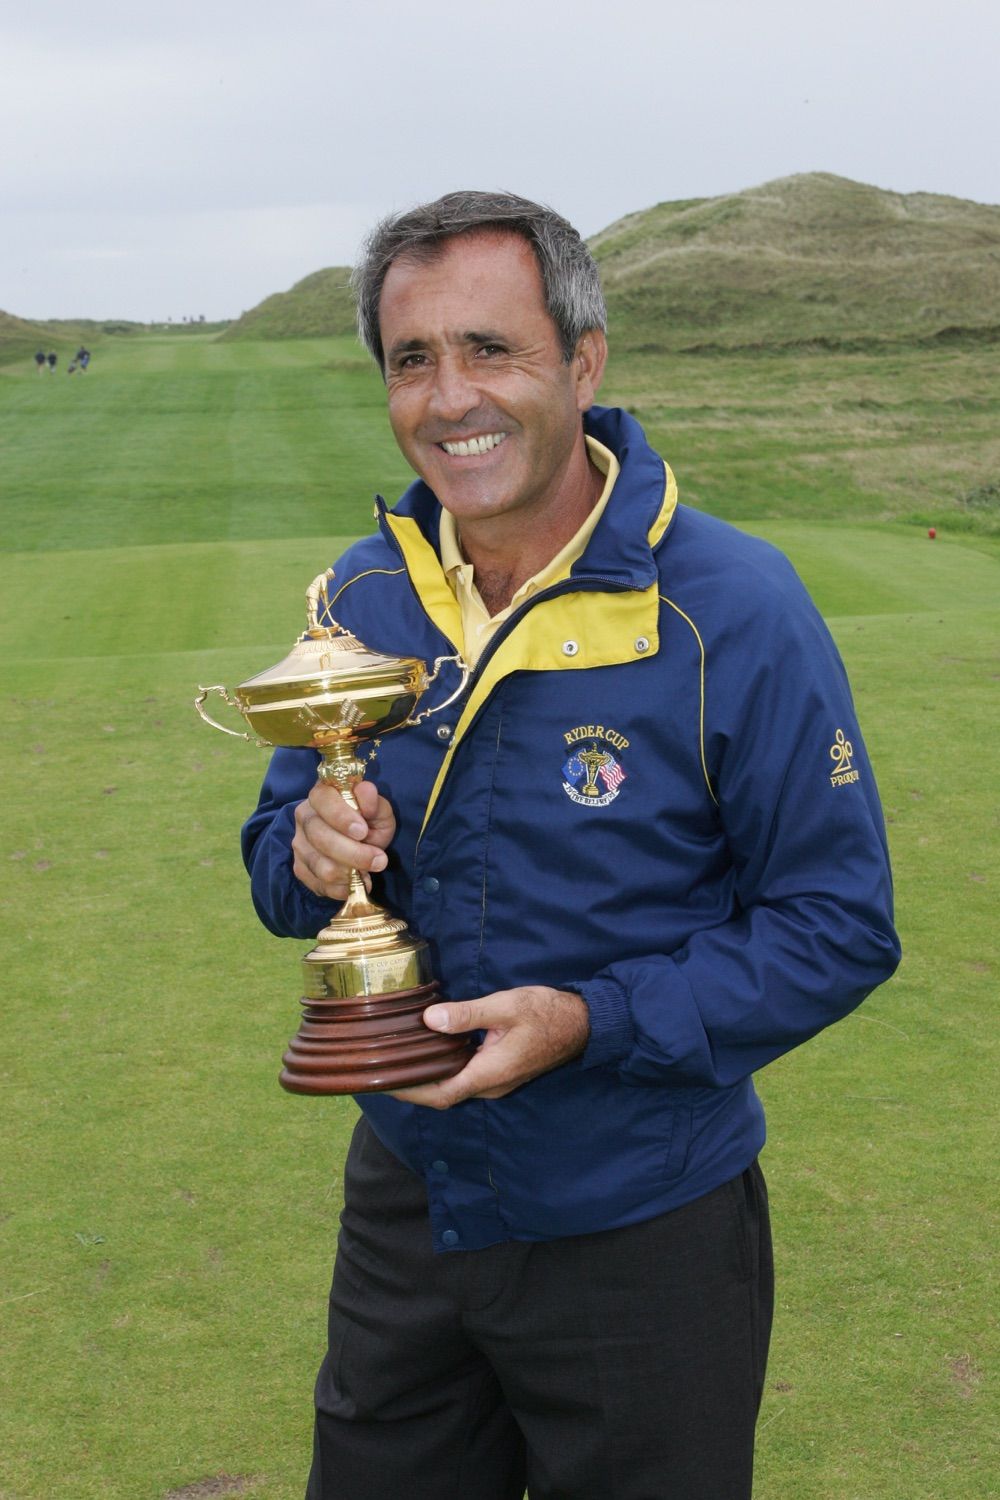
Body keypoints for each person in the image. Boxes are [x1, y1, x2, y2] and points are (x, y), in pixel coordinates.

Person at [242, 191, 901, 1500]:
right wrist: (312, 852)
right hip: (411, 1200)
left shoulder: (735, 608)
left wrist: (588, 1023)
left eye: (490, 349)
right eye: (412, 359)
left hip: (641, 1228)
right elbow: (277, 863)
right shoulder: (366, 593)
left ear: (583, 362)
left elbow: (838, 924)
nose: (449, 398)